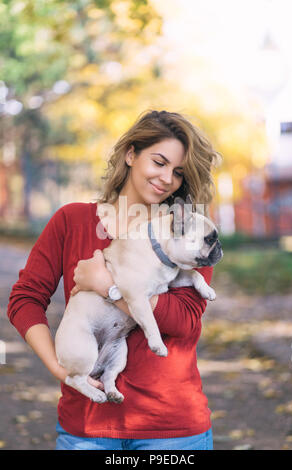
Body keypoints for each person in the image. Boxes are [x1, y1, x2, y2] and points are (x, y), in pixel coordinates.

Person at [7, 110, 221, 450]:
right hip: (87, 428)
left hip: (172, 430)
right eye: (159, 162)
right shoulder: (72, 221)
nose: (167, 178)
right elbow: (25, 299)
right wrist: (60, 369)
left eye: (178, 172)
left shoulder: (187, 232)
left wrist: (106, 285)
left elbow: (182, 320)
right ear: (131, 154)